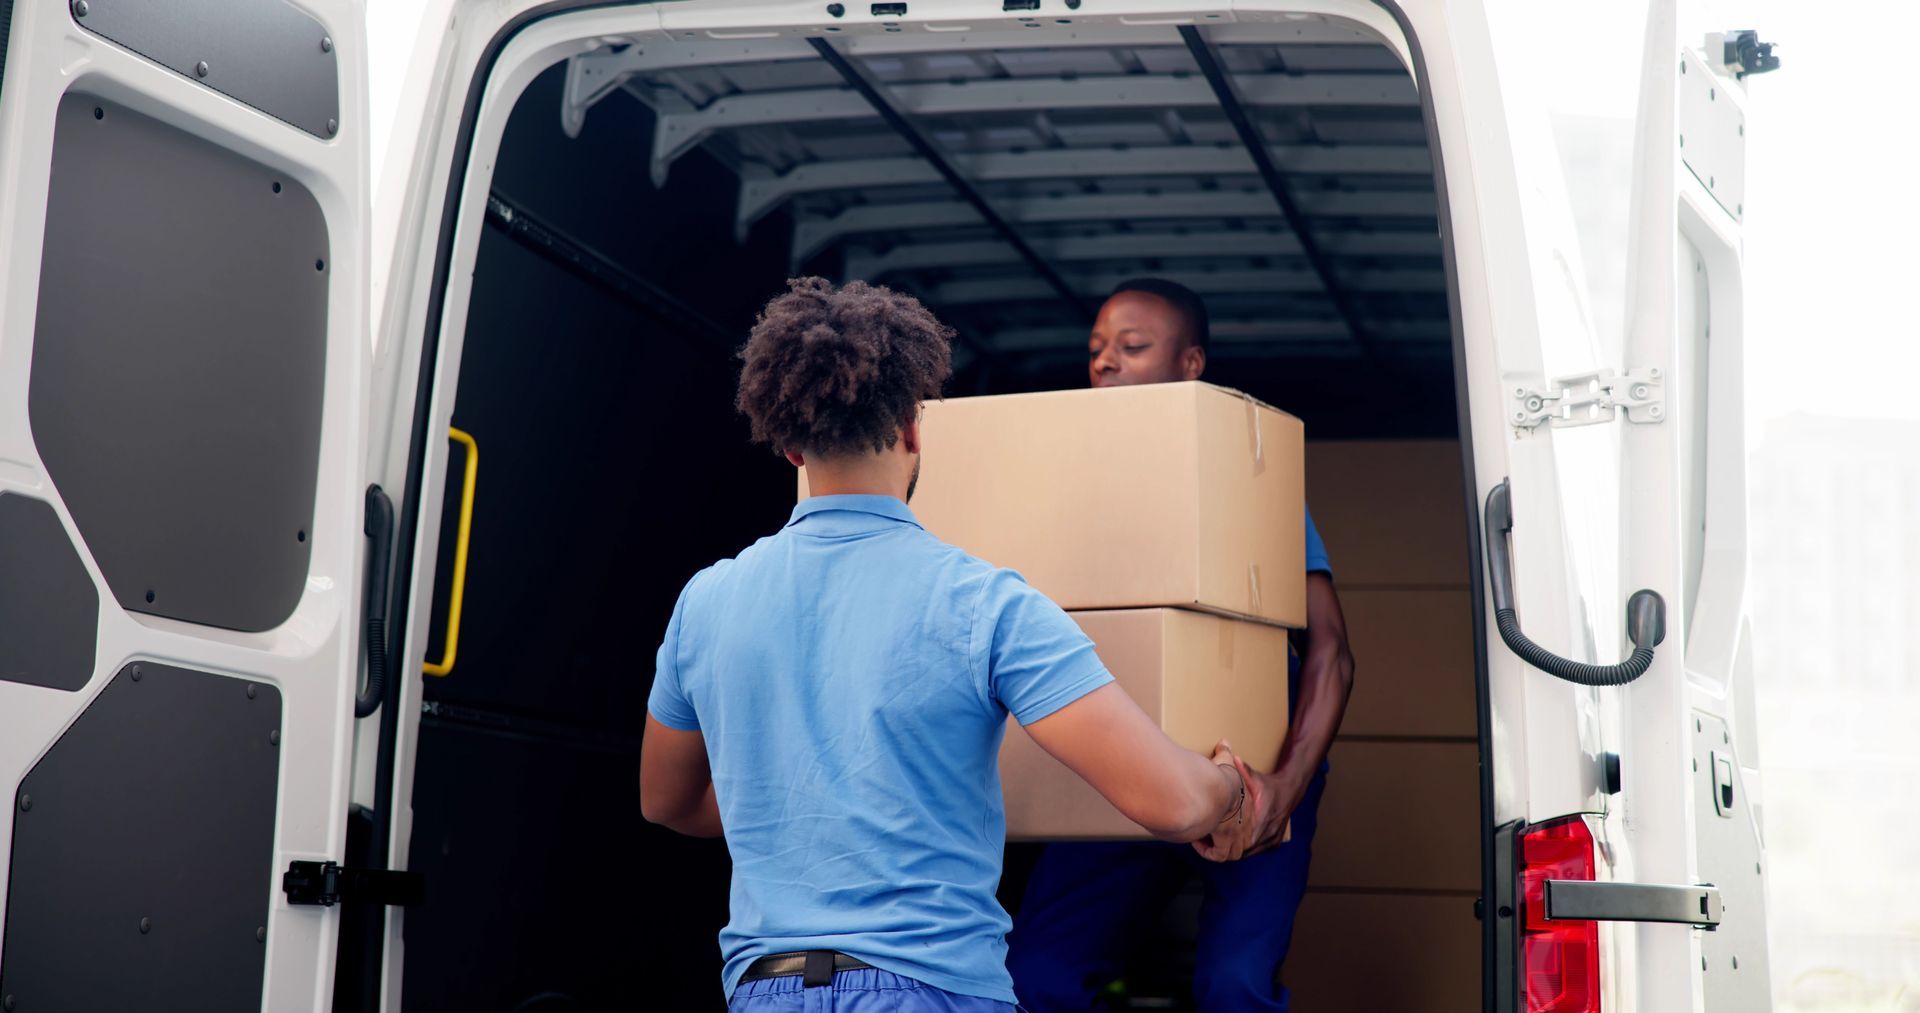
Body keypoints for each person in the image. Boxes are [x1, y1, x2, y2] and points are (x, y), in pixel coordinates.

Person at [640, 277, 1269, 1012]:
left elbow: (666, 800)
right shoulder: (984, 604)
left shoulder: (706, 601)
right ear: (913, 428)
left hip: (764, 990)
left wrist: (796, 799)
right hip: (926, 988)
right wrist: (1233, 789)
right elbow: (1173, 803)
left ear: (788, 445)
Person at [1006, 278, 1357, 1012]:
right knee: (1037, 977)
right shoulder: (1060, 482)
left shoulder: (1246, 479)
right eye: (1096, 348)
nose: (1105, 361)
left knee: (1235, 987)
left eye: (1132, 346)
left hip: (1253, 769)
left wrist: (1284, 790)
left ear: (1191, 363)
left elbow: (1332, 653)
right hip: (1122, 759)